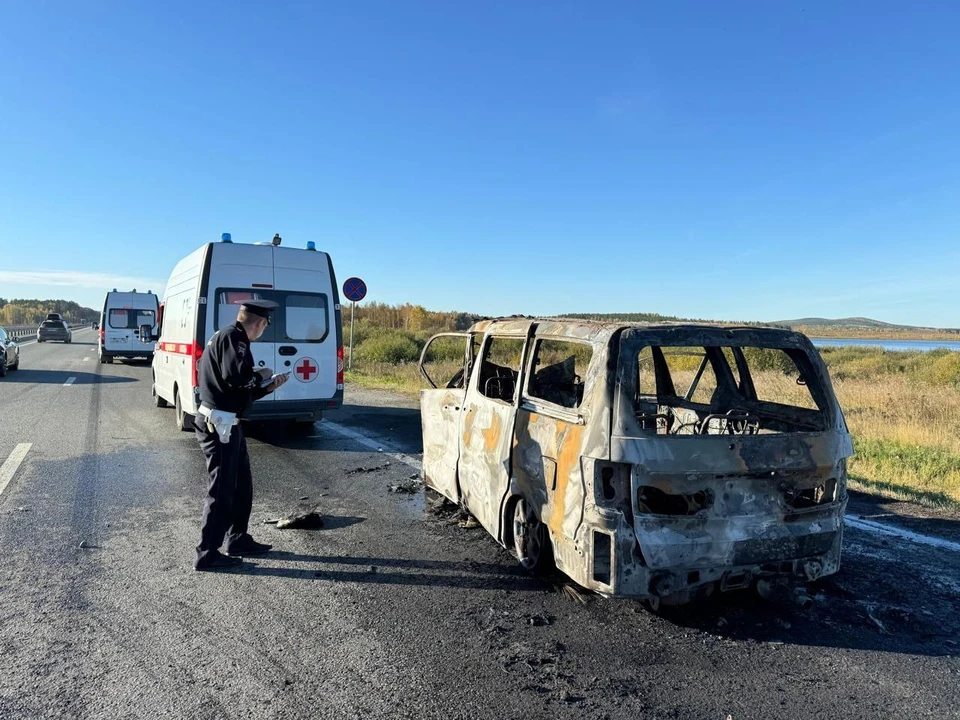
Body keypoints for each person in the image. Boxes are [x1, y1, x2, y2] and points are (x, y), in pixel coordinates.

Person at [193, 299, 289, 571]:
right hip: (219, 424)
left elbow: (234, 389)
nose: (264, 330)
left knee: (241, 486)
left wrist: (267, 388)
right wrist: (262, 375)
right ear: (259, 323)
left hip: (228, 422)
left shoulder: (227, 338)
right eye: (265, 325)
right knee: (221, 491)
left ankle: (237, 538)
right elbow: (237, 377)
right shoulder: (235, 339)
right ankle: (207, 553)